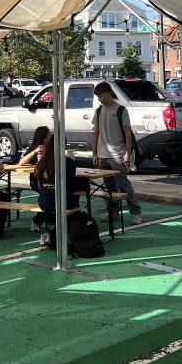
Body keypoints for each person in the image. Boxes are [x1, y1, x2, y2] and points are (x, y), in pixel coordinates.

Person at [91, 81, 142, 224]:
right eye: (98, 97)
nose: (99, 99)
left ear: (108, 93)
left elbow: (127, 133)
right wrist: (94, 152)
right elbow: (96, 132)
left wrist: (127, 152)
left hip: (118, 154)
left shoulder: (121, 110)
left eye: (101, 96)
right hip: (103, 155)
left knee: (123, 184)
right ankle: (113, 213)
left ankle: (135, 212)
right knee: (109, 186)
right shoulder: (99, 111)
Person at [33, 133, 80, 247]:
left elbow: (40, 187)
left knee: (53, 203)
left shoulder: (41, 162)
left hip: (44, 202)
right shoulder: (68, 163)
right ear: (64, 145)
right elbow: (70, 186)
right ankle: (70, 233)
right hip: (62, 202)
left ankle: (52, 234)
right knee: (73, 200)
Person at [19, 126, 51, 232]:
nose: (50, 137)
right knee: (48, 196)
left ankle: (41, 220)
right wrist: (35, 151)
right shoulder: (34, 148)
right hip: (36, 181)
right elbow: (21, 162)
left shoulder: (51, 147)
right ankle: (38, 221)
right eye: (48, 135)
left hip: (50, 179)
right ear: (43, 137)